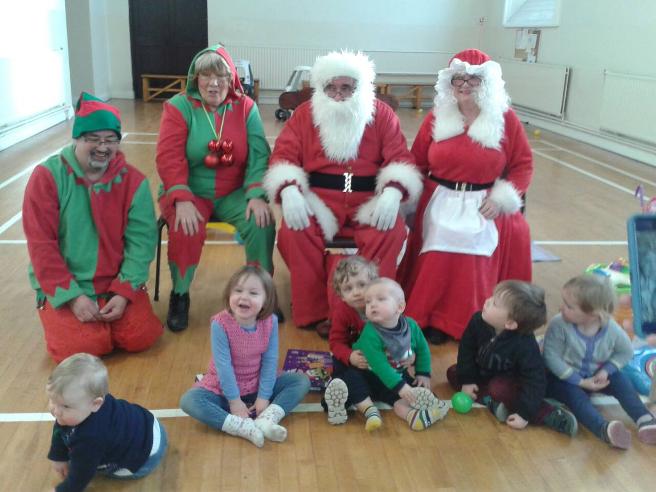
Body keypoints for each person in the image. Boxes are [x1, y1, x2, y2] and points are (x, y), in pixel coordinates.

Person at [264, 50, 422, 337]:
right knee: (293, 232)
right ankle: (317, 312)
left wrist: (393, 192)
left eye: (346, 87)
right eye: (331, 88)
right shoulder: (303, 116)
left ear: (359, 88)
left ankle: (370, 308)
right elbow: (282, 156)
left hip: (367, 201)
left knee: (391, 231)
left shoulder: (382, 115)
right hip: (318, 201)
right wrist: (288, 190)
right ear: (321, 89)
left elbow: (400, 158)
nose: (338, 95)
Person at [400, 49, 533, 345]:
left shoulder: (505, 119)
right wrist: (406, 197)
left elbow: (523, 165)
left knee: (476, 256)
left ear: (487, 83)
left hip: (484, 202)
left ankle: (471, 323)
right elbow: (416, 161)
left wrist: (501, 200)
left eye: (473, 78)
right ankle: (431, 317)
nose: (464, 84)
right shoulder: (436, 118)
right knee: (436, 252)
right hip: (438, 198)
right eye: (459, 78)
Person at [23, 92, 163, 362]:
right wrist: (73, 297)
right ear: (77, 139)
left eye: (110, 140)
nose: (103, 147)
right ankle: (71, 317)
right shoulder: (47, 178)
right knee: (83, 349)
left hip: (115, 282)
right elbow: (41, 246)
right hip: (66, 284)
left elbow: (142, 243)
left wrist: (123, 292)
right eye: (93, 139)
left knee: (141, 337)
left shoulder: (134, 182)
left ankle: (105, 319)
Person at [156, 44, 275, 332]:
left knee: (261, 223)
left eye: (221, 76)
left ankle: (262, 297)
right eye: (206, 76)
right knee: (186, 226)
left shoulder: (246, 107)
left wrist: (257, 195)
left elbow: (259, 153)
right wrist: (181, 198)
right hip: (191, 191)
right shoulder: (179, 107)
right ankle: (180, 294)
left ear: (232, 78)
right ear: (195, 79)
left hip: (234, 191)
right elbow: (169, 155)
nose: (214, 83)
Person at [179, 265, 310, 447]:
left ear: (266, 301)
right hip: (224, 388)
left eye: (253, 293)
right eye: (238, 290)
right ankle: (241, 427)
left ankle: (267, 419)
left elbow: (270, 361)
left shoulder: (270, 322)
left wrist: (264, 396)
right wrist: (234, 402)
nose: (244, 297)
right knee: (189, 401)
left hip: (257, 382)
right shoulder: (220, 324)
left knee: (301, 381)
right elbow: (223, 366)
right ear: (229, 295)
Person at [447, 280, 578, 436]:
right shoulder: (477, 321)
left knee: (499, 388)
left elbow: (535, 379)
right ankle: (492, 402)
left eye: (494, 303)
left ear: (510, 323)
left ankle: (547, 413)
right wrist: (467, 380)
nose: (487, 301)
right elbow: (466, 351)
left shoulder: (524, 345)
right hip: (484, 373)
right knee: (454, 373)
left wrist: (525, 414)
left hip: (511, 383)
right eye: (491, 297)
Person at [544, 274, 656, 449]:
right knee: (576, 398)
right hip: (564, 379)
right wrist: (580, 381)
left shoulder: (611, 328)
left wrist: (606, 371)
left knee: (622, 382)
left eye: (569, 306)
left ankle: (644, 418)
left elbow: (625, 351)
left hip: (596, 376)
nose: (561, 308)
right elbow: (551, 357)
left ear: (593, 315)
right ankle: (603, 428)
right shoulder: (559, 324)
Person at [326, 277, 448, 432]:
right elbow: (379, 365)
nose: (372, 304)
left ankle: (412, 416)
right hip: (366, 374)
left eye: (381, 299)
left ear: (400, 307)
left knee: (404, 396)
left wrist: (423, 373)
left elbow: (423, 348)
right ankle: (370, 412)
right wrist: (401, 387)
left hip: (393, 375)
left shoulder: (411, 325)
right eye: (368, 302)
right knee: (351, 381)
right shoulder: (371, 332)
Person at [46, 353, 167, 491]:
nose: (55, 411)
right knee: (70, 433)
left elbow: (81, 476)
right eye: (52, 400)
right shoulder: (85, 401)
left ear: (96, 404)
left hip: (146, 457)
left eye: (65, 406)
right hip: (150, 424)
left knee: (89, 464)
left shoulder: (90, 438)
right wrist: (58, 455)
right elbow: (60, 427)